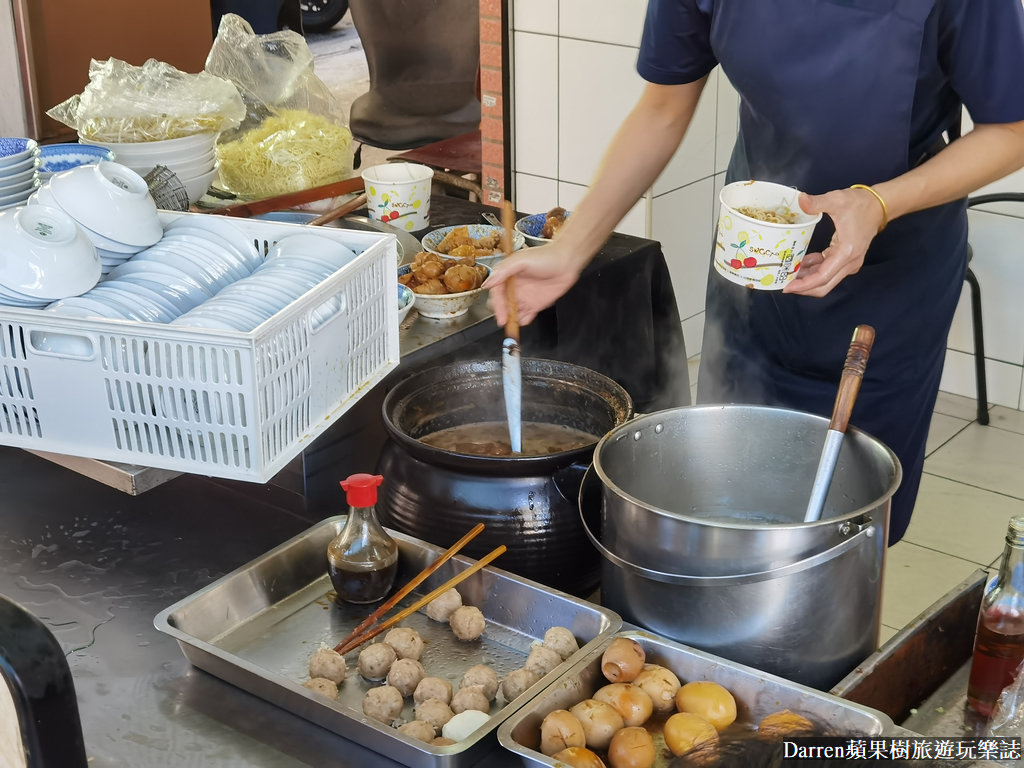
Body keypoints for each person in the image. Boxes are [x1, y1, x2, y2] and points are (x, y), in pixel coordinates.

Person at [483, 0, 1024, 546]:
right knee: (725, 489)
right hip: (757, 255)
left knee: (848, 520)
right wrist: (571, 249)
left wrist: (879, 204)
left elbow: (1013, 128)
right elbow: (663, 107)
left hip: (889, 277)